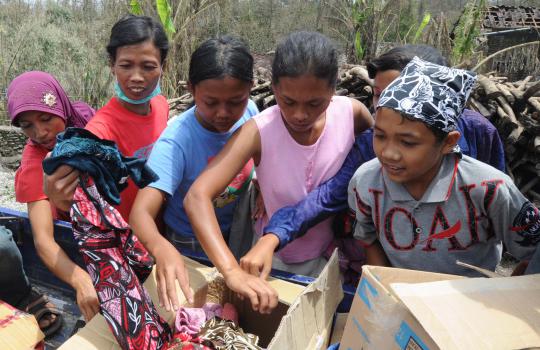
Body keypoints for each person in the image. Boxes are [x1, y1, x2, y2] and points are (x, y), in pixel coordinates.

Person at [240, 44, 507, 281]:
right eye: (379, 95)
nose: (386, 108)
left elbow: (498, 203)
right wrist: (275, 234)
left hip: (470, 279)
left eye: (400, 95)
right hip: (396, 273)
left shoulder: (478, 133)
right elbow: (328, 196)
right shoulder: (370, 148)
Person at [183, 31, 373, 312]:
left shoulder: (351, 114)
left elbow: (372, 157)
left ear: (333, 90)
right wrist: (231, 271)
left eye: (314, 104)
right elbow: (196, 196)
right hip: (276, 260)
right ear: (273, 88)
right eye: (288, 101)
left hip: (338, 254)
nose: (299, 115)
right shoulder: (259, 131)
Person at [349, 56, 540, 276]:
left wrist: (504, 292)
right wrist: (385, 286)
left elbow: (535, 251)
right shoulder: (365, 182)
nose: (388, 153)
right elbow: (368, 238)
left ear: (449, 142)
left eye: (408, 142)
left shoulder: (490, 189)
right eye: (380, 136)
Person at [42, 14, 169, 321]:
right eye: (126, 65)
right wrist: (53, 191)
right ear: (112, 64)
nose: (137, 77)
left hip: (162, 236)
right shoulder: (100, 132)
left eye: (148, 66)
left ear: (162, 66)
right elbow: (69, 199)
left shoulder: (162, 107)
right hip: (126, 254)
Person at [129, 36, 260, 312]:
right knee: (195, 312)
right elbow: (140, 213)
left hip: (235, 231)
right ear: (192, 89)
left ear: (250, 89)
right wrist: (162, 248)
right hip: (190, 245)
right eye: (211, 102)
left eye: (235, 101)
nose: (224, 113)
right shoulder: (177, 141)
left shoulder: (249, 112)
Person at [5, 70, 95, 335]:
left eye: (46, 118)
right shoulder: (36, 162)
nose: (40, 132)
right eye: (27, 126)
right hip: (81, 231)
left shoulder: (87, 119)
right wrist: (80, 281)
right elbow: (44, 241)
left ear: (62, 105)